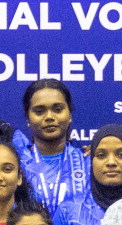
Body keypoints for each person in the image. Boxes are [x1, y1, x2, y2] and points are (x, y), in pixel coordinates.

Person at [18, 79, 91, 214]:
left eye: (58, 109)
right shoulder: (16, 165)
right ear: (27, 119)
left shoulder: (88, 162)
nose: (49, 117)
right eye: (39, 111)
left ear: (70, 115)